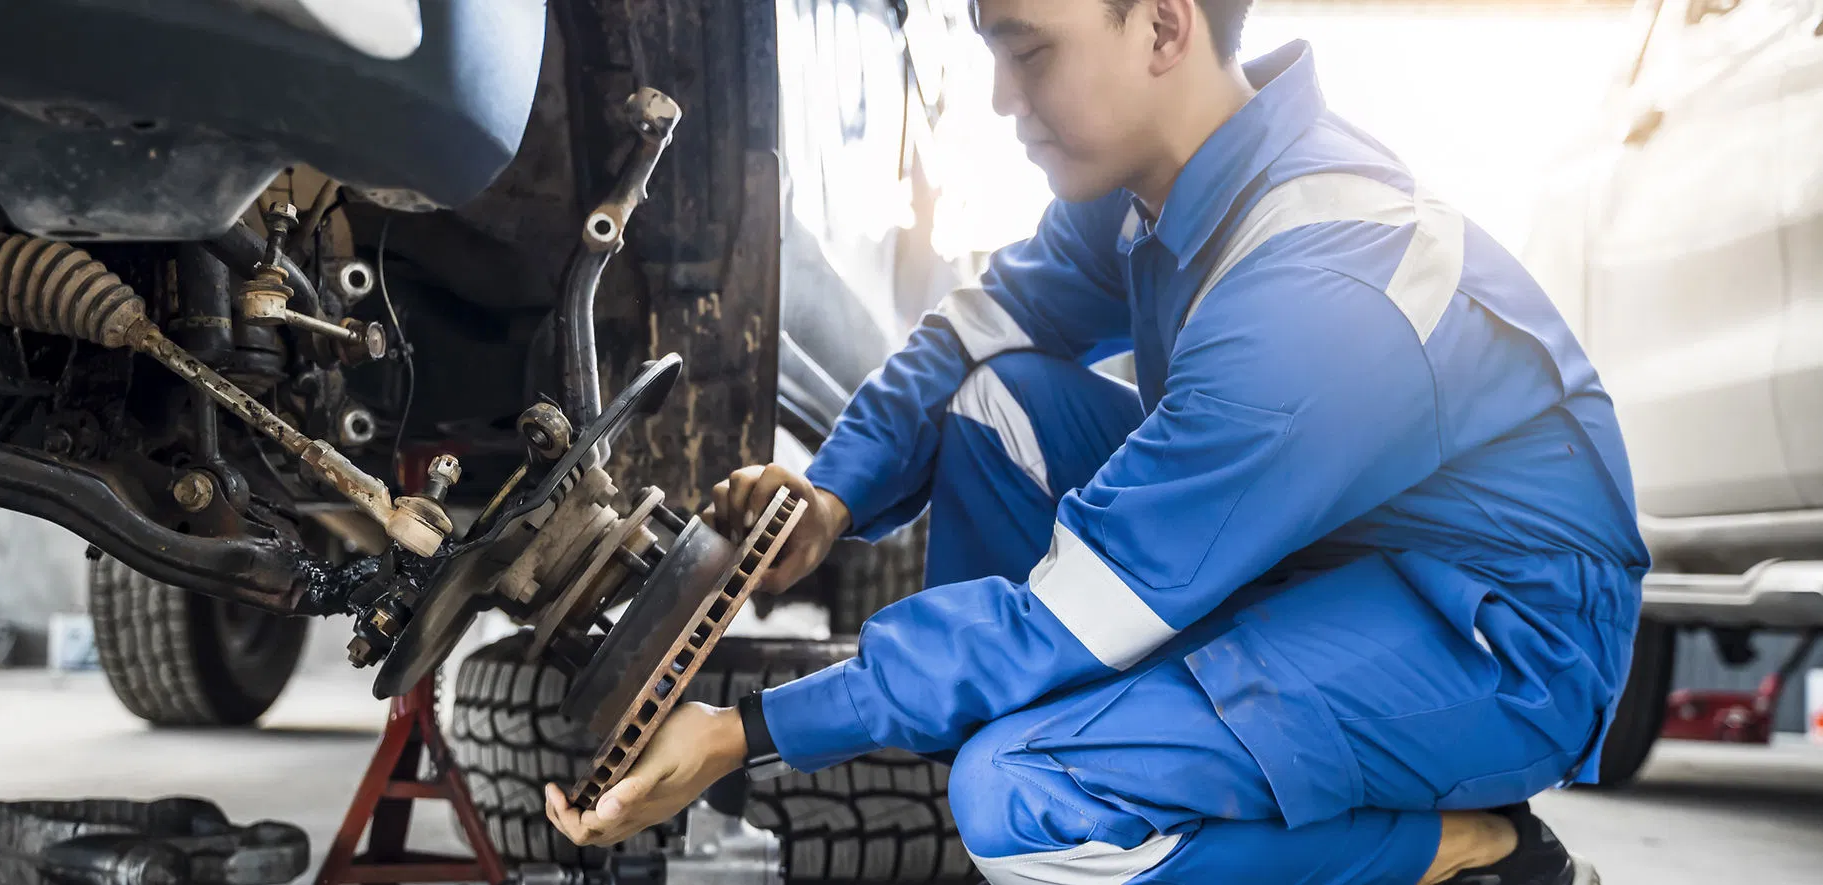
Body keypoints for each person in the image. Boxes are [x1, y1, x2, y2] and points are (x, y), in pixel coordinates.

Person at [544, 1, 1647, 882]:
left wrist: (746, 731)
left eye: (1028, 50)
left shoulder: (1323, 287)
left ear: (1163, 28)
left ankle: (1479, 853)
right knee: (995, 401)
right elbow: (969, 333)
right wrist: (832, 497)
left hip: (1495, 640)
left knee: (1022, 804)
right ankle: (1095, 749)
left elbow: (1080, 604)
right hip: (1320, 562)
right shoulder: (1148, 190)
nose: (998, 96)